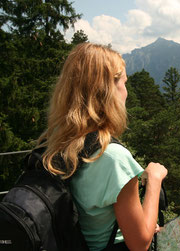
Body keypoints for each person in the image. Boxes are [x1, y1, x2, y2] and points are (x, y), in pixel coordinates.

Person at [36, 43, 167, 251]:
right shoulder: (112, 158)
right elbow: (140, 243)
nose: (127, 92)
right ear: (108, 91)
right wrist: (154, 179)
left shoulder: (57, 143)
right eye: (124, 83)